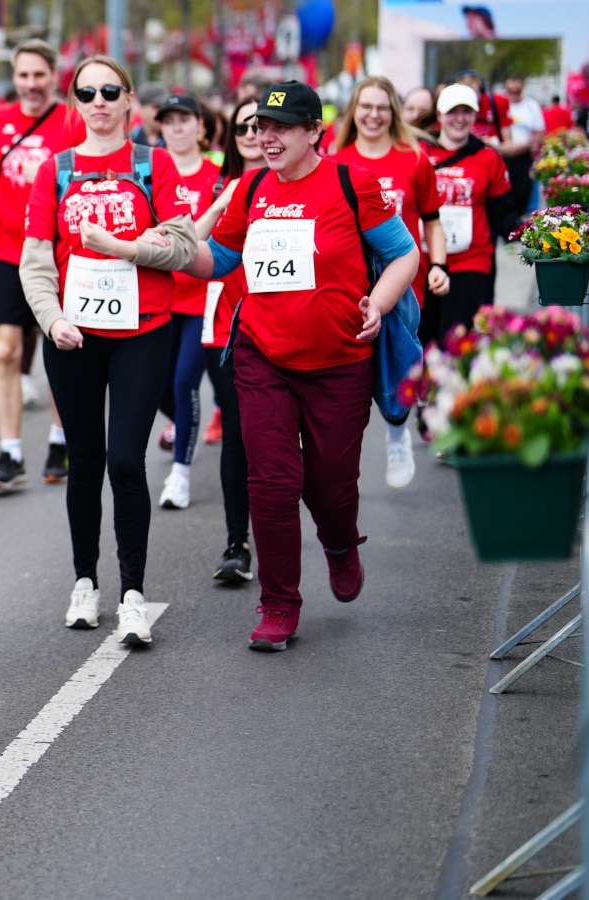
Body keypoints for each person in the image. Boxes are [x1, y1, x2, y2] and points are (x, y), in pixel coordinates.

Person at [179, 81, 420, 651]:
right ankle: (279, 603)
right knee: (271, 483)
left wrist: (378, 304)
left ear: (315, 131)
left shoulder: (348, 181)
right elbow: (222, 259)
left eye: (281, 127)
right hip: (262, 356)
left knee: (331, 488)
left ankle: (340, 544)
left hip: (340, 362)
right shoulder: (253, 187)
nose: (267, 137)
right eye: (261, 126)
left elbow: (403, 253)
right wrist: (168, 252)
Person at [20, 55, 197, 643]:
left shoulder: (155, 165)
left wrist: (120, 247)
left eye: (110, 91)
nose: (98, 100)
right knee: (84, 462)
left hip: (143, 332)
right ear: (75, 103)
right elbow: (36, 260)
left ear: (128, 103)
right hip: (74, 336)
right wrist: (51, 320)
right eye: (87, 92)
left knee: (125, 460)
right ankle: (84, 582)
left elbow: (180, 247)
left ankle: (133, 593)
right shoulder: (56, 171)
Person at [0, 40, 86, 489]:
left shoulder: (73, 121)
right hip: (6, 253)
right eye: (23, 76)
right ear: (13, 78)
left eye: (39, 75)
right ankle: (10, 452)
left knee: (60, 349)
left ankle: (60, 441)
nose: (31, 84)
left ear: (54, 75)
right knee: (6, 351)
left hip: (60, 254)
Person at [329, 76, 448, 488]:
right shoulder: (333, 158)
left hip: (401, 284)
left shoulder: (414, 159)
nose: (374, 115)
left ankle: (397, 432)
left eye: (382, 107)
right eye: (366, 106)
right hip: (346, 282)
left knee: (394, 362)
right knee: (352, 370)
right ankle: (343, 455)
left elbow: (431, 221)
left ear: (393, 112)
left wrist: (440, 264)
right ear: (353, 111)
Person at [191, 98, 267, 583]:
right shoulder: (219, 184)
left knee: (274, 439)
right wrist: (223, 200)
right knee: (237, 433)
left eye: (261, 125)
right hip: (228, 328)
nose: (252, 133)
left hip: (288, 327)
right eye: (242, 126)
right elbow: (188, 245)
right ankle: (237, 543)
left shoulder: (293, 185)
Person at [148, 92, 220, 512]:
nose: (177, 128)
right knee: (157, 387)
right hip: (160, 297)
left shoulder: (216, 177)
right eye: (169, 121)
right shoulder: (151, 172)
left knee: (183, 382)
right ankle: (184, 424)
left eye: (184, 120)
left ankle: (180, 475)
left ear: (200, 126)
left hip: (202, 299)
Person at [423, 84, 513, 355]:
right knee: (423, 337)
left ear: (475, 116)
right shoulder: (417, 152)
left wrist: (539, 232)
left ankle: (452, 394)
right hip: (420, 260)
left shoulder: (488, 157)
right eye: (452, 112)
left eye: (467, 112)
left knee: (455, 339)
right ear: (439, 115)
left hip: (469, 259)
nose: (459, 118)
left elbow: (502, 214)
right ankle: (423, 393)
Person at [499, 76, 545, 214]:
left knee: (522, 193)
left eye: (517, 91)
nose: (513, 93)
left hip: (523, 157)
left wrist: (525, 145)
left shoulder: (531, 106)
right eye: (510, 90)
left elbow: (540, 132)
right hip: (502, 157)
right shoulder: (500, 105)